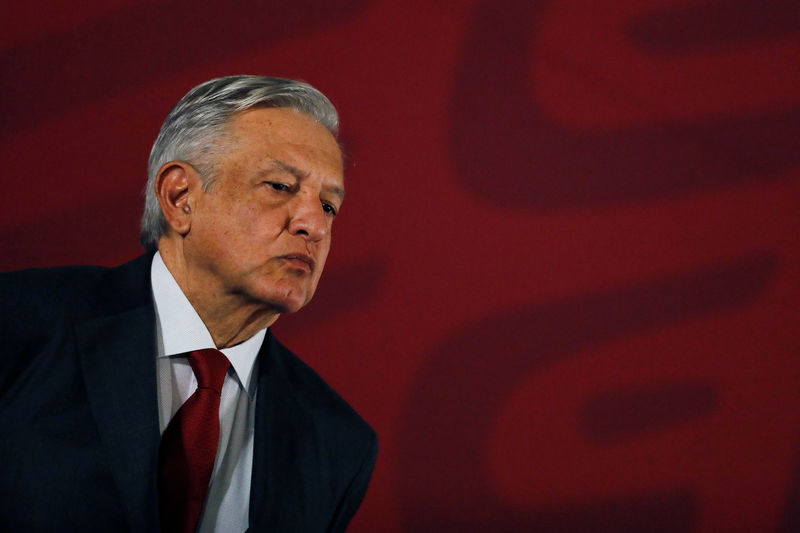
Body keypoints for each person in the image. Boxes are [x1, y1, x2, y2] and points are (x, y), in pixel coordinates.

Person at [0, 75, 378, 533]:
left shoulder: (338, 443)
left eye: (329, 206)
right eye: (280, 186)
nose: (313, 225)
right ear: (180, 198)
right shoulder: (19, 322)